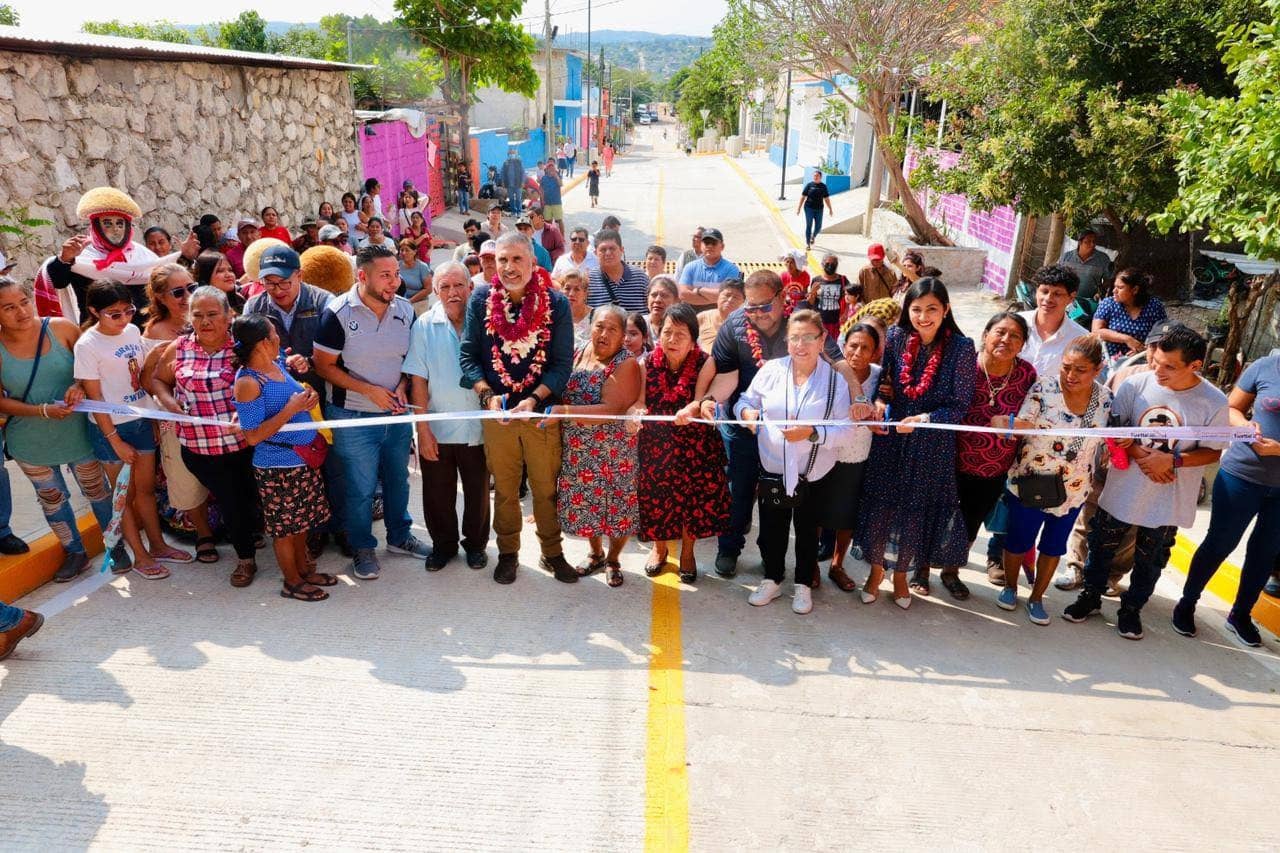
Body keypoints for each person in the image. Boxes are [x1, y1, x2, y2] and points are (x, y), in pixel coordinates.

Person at [1064, 326, 1230, 640]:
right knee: (1102, 544)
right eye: (1156, 361)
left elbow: (1213, 451)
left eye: (1169, 366)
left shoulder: (1213, 401)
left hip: (1169, 497)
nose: (1157, 370)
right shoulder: (1136, 385)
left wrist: (1173, 461)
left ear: (1194, 366)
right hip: (1123, 488)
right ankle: (1090, 597)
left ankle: (1131, 610)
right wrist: (1143, 455)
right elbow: (1116, 429)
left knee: (1152, 557)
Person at [699, 269, 844, 577]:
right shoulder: (734, 326)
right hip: (742, 425)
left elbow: (836, 362)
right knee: (738, 493)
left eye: (764, 306)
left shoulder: (802, 325)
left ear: (781, 299)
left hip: (788, 436)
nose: (757, 314)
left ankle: (771, 560)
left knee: (774, 503)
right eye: (750, 307)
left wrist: (858, 398)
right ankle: (729, 549)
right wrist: (706, 401)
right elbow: (724, 375)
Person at [459, 232, 575, 585]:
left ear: (532, 263)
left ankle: (552, 553)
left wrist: (535, 399)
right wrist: (486, 394)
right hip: (500, 414)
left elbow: (560, 364)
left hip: (540, 415)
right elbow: (468, 356)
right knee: (506, 490)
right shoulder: (481, 299)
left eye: (517, 260)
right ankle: (508, 554)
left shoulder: (557, 303)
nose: (509, 268)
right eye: (503, 260)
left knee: (545, 488)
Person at [859, 277, 977, 610]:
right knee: (883, 506)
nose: (923, 317)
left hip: (931, 444)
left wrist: (924, 420)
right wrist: (882, 405)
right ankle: (875, 572)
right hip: (893, 437)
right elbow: (886, 383)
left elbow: (959, 404)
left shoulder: (962, 348)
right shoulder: (896, 337)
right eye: (916, 309)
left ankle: (901, 577)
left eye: (931, 310)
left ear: (946, 310)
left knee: (913, 510)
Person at [313, 244, 429, 579]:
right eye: (386, 276)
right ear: (362, 276)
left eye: (395, 274)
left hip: (396, 414)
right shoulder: (336, 314)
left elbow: (412, 362)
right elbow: (323, 367)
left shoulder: (406, 311)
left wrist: (402, 388)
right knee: (360, 487)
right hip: (352, 417)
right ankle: (363, 547)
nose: (394, 282)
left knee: (398, 480)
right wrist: (369, 391)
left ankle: (399, 537)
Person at [735, 309, 853, 614]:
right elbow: (746, 401)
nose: (800, 345)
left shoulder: (834, 383)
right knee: (772, 529)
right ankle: (772, 579)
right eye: (794, 338)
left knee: (806, 530)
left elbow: (845, 429)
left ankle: (802, 585)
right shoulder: (772, 370)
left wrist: (812, 432)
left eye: (808, 338)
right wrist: (747, 415)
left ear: (822, 340)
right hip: (774, 468)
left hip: (814, 473)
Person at [75, 281, 194, 579]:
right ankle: (139, 556)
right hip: (110, 429)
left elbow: (142, 378)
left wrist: (152, 419)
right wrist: (114, 441)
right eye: (113, 314)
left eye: (128, 311)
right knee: (123, 497)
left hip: (141, 421)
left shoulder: (131, 332)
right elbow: (95, 399)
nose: (124, 319)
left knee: (145, 491)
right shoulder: (87, 345)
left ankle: (158, 546)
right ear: (94, 311)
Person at [0, 277, 112, 579]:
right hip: (29, 441)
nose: (21, 312)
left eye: (23, 302)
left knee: (97, 490)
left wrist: (78, 385)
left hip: (79, 432)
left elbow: (93, 368)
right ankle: (74, 552)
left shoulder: (62, 328)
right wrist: (42, 411)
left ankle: (116, 545)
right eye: (8, 308)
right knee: (52, 500)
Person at [151, 286, 263, 586]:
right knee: (230, 501)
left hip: (243, 443)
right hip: (198, 446)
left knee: (247, 498)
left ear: (229, 316)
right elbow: (159, 381)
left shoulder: (242, 347)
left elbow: (269, 377)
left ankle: (251, 536)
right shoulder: (179, 347)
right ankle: (245, 559)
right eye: (198, 315)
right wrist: (169, 402)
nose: (205, 321)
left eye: (213, 314)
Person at [998, 336, 1111, 625]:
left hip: (1073, 489)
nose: (1070, 376)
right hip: (1031, 480)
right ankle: (1010, 588)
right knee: (1018, 540)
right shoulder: (1044, 388)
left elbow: (1109, 439)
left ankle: (1036, 599)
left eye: (1080, 370)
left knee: (1053, 546)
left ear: (1097, 370)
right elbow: (1023, 422)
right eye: (1066, 367)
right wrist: (1004, 425)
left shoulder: (1106, 399)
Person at [1175, 352, 1280, 647]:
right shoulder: (1265, 367)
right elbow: (1231, 409)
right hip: (1241, 474)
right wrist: (1244, 426)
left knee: (1265, 553)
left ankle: (1241, 615)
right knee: (1219, 542)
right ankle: (1187, 603)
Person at [231, 315, 334, 602]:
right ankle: (291, 582)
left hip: (301, 460)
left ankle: (304, 571)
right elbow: (252, 436)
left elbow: (293, 400)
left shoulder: (276, 366)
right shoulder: (249, 382)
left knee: (300, 523)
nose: (279, 338)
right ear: (264, 343)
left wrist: (306, 399)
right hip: (277, 466)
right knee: (285, 529)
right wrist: (291, 409)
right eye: (275, 334)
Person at [941, 312, 1037, 593]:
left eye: (1015, 336)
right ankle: (921, 570)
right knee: (936, 515)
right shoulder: (964, 365)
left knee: (970, 522)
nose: (1006, 340)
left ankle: (951, 571)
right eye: (1000, 332)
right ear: (985, 335)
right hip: (949, 457)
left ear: (1022, 345)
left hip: (994, 468)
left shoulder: (1026, 374)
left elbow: (1032, 416)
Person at [632, 302, 728, 584]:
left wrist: (696, 408)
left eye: (680, 335)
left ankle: (687, 553)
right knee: (656, 500)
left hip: (694, 446)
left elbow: (706, 399)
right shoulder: (645, 363)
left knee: (692, 502)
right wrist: (636, 411)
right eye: (667, 332)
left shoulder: (705, 362)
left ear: (693, 340)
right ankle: (659, 549)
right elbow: (639, 400)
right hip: (656, 445)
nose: (672, 340)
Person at [546, 305, 641, 587]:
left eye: (613, 329)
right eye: (600, 326)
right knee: (586, 504)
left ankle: (613, 559)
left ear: (623, 335)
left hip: (613, 452)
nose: (604, 333)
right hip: (579, 449)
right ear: (590, 326)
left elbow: (611, 408)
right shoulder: (579, 352)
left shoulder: (626, 363)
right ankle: (595, 553)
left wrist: (563, 412)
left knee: (616, 508)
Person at [403, 263, 490, 572]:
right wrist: (422, 430)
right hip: (437, 427)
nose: (453, 293)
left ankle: (476, 546)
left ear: (470, 288)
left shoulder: (484, 323)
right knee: (437, 493)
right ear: (436, 291)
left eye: (459, 286)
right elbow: (418, 381)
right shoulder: (424, 325)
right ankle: (443, 546)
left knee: (478, 492)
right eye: (445, 287)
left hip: (478, 427)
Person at [141, 265, 217, 562]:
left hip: (217, 416)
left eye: (191, 286)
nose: (187, 296)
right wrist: (169, 403)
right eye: (177, 292)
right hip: (178, 422)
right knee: (186, 479)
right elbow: (148, 381)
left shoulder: (215, 315)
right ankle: (203, 536)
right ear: (160, 297)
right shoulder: (156, 334)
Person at [815, 323, 881, 591]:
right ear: (843, 347)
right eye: (853, 345)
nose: (858, 352)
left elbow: (885, 408)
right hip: (826, 452)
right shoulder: (829, 374)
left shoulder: (879, 377)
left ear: (875, 353)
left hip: (859, 454)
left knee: (848, 515)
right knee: (818, 512)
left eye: (866, 347)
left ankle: (836, 565)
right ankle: (810, 565)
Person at [1091, 268, 1167, 366]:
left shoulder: (1154, 306)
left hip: (1142, 361)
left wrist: (1143, 351)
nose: (1114, 291)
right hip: (1109, 363)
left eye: (1120, 287)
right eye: (1115, 287)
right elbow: (1096, 331)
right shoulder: (1109, 304)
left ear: (1135, 290)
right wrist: (1127, 339)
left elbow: (1162, 335)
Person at [677, 228, 742, 310]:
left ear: (722, 246)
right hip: (692, 318)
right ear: (701, 245)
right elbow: (683, 294)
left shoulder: (731, 269)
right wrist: (715, 298)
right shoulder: (690, 267)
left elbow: (728, 296)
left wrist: (699, 290)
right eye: (706, 242)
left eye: (714, 243)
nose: (710, 246)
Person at [588, 229, 650, 312]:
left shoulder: (641, 278)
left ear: (621, 250)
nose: (608, 253)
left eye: (612, 248)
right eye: (603, 249)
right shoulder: (588, 280)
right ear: (595, 253)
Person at [806, 253, 853, 339]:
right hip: (819, 322)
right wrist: (813, 292)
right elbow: (810, 302)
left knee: (833, 347)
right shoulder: (816, 280)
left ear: (837, 265)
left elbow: (850, 298)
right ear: (822, 264)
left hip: (836, 323)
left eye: (833, 264)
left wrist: (846, 313)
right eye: (827, 263)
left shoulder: (842, 280)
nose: (830, 266)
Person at [1058, 229, 1112, 302]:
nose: (1092, 244)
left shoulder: (1103, 259)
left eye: (1094, 241)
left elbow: (1108, 280)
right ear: (1080, 242)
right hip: (1066, 299)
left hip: (1089, 302)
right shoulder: (1066, 257)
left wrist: (1100, 293)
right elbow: (1058, 277)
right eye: (1088, 241)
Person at [697, 278, 744, 352]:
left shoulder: (745, 325)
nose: (730, 300)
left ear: (743, 302)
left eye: (736, 297)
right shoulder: (702, 317)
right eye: (727, 295)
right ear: (718, 296)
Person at [797, 169, 834, 249]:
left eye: (817, 176)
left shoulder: (823, 187)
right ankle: (808, 244)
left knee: (818, 227)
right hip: (808, 208)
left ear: (820, 177)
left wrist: (830, 209)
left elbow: (826, 198)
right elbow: (803, 197)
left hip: (819, 209)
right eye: (814, 176)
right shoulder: (809, 185)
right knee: (809, 226)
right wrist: (799, 208)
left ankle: (813, 236)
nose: (815, 177)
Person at [559, 270, 593, 348]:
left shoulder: (596, 318)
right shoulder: (555, 316)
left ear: (586, 293)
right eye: (567, 289)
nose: (571, 294)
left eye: (577, 289)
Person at [396, 240, 434, 308]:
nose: (404, 253)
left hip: (419, 302)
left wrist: (410, 301)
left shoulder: (422, 267)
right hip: (400, 302)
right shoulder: (397, 265)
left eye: (407, 250)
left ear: (414, 252)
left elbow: (428, 289)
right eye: (402, 250)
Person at [646, 276, 678, 344]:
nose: (658, 300)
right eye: (654, 295)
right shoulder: (638, 324)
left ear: (676, 301)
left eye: (664, 295)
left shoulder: (682, 327)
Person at [537, 164, 566, 236]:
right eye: (550, 169)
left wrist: (556, 176)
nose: (551, 170)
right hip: (547, 203)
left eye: (553, 169)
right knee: (547, 221)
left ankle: (562, 237)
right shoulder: (544, 178)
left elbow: (561, 184)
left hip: (556, 202)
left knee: (559, 220)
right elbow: (541, 189)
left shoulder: (557, 176)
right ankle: (549, 236)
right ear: (546, 170)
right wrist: (542, 200)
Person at [501, 149, 525, 215]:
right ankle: (513, 211)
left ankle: (519, 212)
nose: (512, 155)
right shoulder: (506, 163)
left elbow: (523, 173)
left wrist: (523, 182)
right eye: (510, 153)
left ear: (516, 155)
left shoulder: (519, 162)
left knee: (518, 198)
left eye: (513, 153)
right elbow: (502, 173)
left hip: (518, 184)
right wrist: (503, 181)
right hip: (509, 184)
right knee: (511, 198)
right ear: (508, 155)